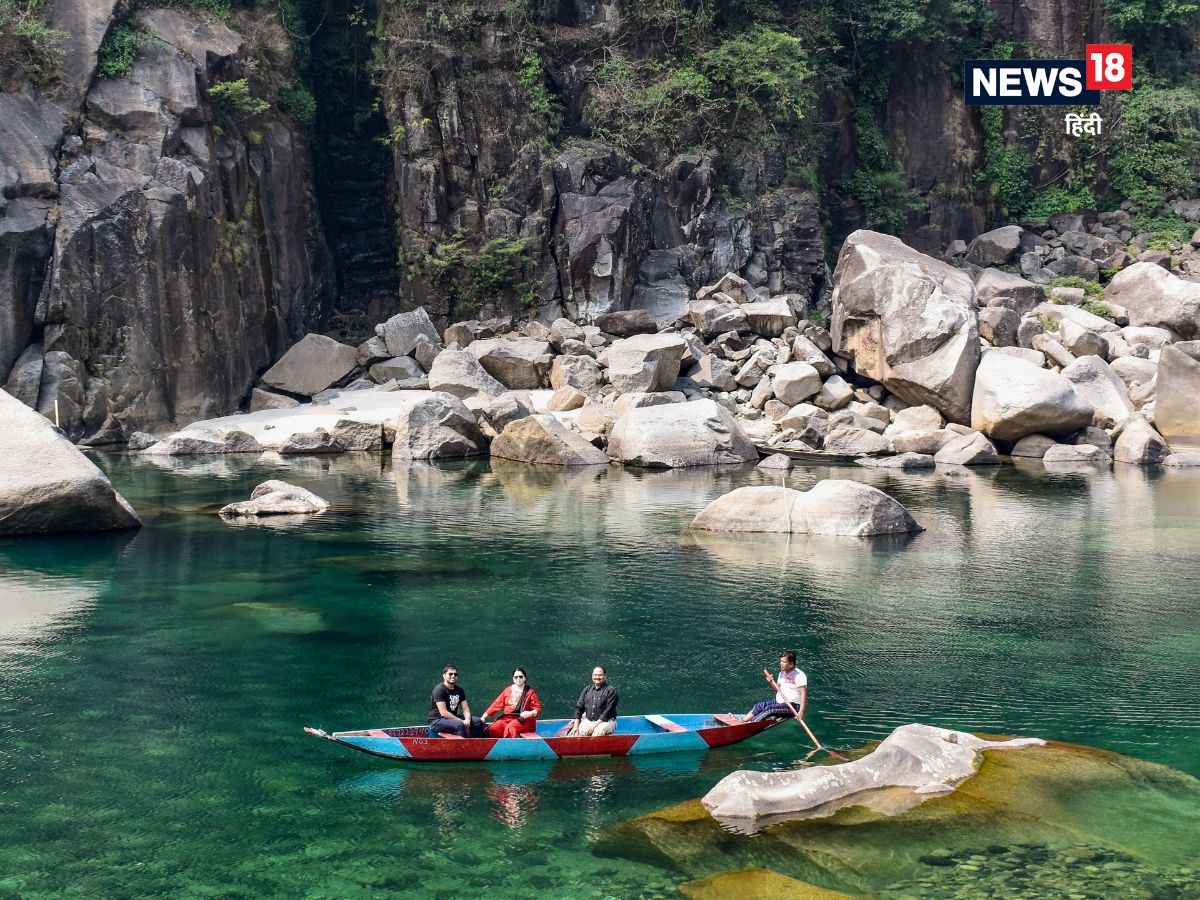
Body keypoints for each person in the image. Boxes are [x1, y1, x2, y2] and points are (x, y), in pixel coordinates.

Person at [741, 650, 807, 722]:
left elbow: (803, 694)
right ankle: (743, 721)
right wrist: (770, 682)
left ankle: (750, 724)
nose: (781, 663)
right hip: (780, 703)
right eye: (781, 661)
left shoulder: (799, 675)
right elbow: (777, 690)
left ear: (791, 664)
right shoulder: (782, 673)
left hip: (793, 706)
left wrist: (801, 711)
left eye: (784, 662)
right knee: (759, 706)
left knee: (769, 709)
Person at [480, 667, 542, 738]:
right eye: (516, 677)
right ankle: (495, 744)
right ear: (513, 679)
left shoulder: (530, 692)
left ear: (525, 678)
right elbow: (496, 705)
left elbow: (538, 709)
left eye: (521, 677)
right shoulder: (507, 690)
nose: (518, 679)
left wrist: (530, 713)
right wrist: (483, 717)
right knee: (494, 728)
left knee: (511, 728)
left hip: (524, 721)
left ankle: (511, 744)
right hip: (508, 718)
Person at [428, 665, 487, 737]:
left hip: (453, 718)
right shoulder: (439, 690)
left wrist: (467, 719)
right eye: (450, 674)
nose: (453, 676)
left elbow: (465, 709)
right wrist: (461, 721)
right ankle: (463, 744)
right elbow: (443, 712)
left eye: (455, 674)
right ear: (444, 676)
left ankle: (476, 743)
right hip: (437, 720)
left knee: (478, 722)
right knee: (460, 725)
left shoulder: (459, 690)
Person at [568, 665, 619, 737]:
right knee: (574, 734)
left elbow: (608, 711)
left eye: (600, 675)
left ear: (605, 676)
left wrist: (594, 725)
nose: (597, 677)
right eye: (595, 675)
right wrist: (576, 726)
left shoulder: (611, 691)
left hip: (606, 722)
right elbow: (579, 708)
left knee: (598, 732)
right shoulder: (587, 689)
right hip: (589, 721)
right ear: (592, 676)